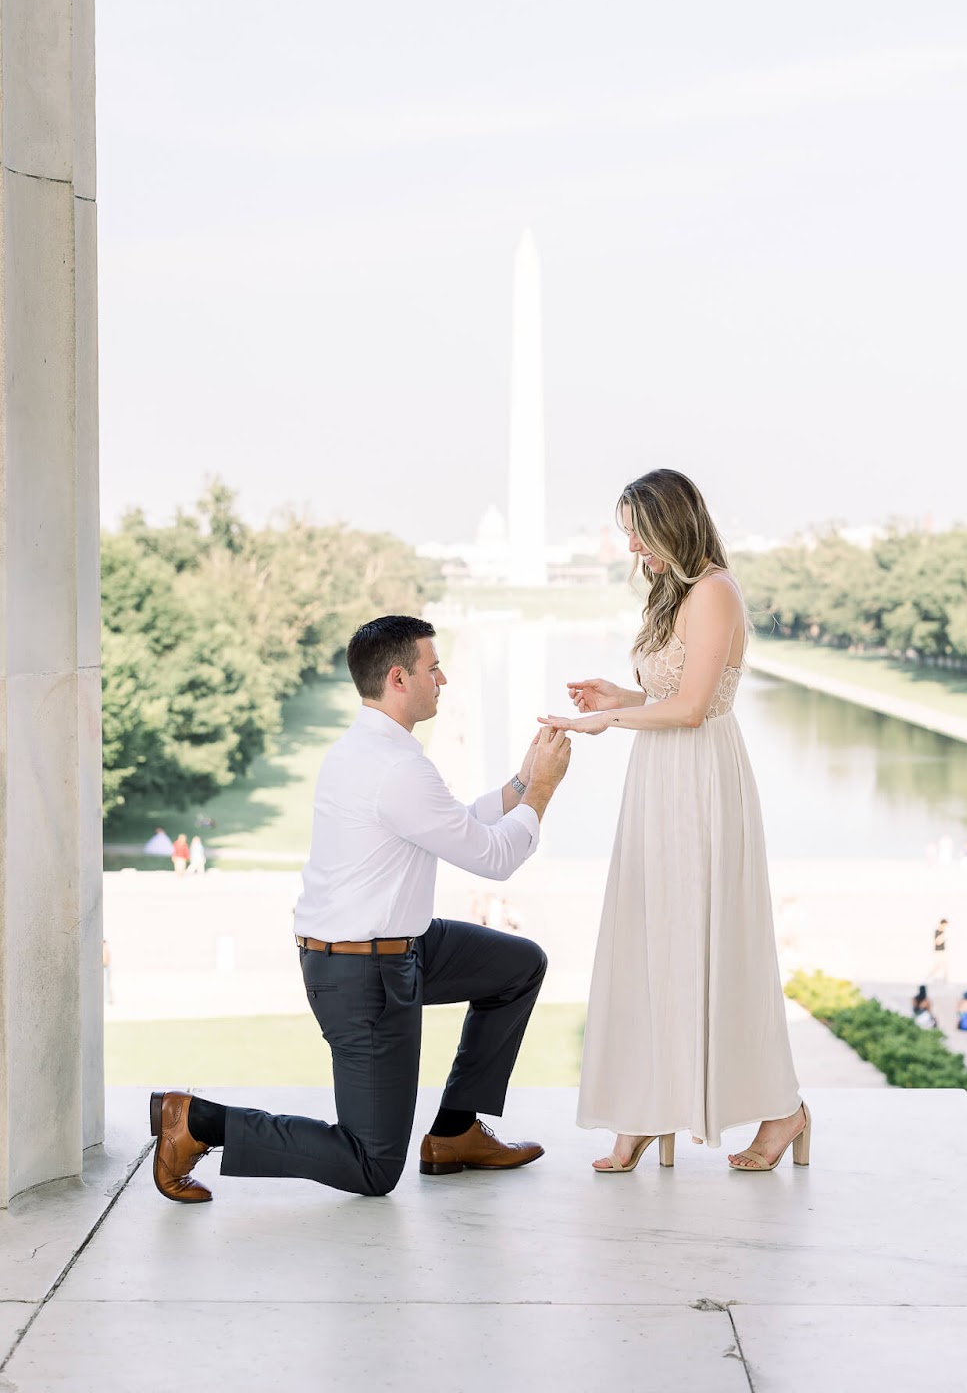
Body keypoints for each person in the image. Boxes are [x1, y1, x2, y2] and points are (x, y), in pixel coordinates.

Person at [149, 614, 571, 1203]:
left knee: (517, 965)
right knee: (371, 1167)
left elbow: (456, 824)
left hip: (403, 946)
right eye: (433, 667)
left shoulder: (375, 750)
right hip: (363, 973)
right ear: (399, 678)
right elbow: (494, 859)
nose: (443, 678)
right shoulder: (397, 768)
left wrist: (523, 781)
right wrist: (545, 791)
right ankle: (198, 1122)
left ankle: (455, 1132)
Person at [538, 469, 808, 1175]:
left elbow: (693, 710)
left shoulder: (714, 591)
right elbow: (673, 694)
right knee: (647, 942)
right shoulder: (678, 595)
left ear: (673, 524)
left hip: (700, 784)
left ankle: (784, 1112)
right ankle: (643, 1108)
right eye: (626, 530)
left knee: (711, 946)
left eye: (638, 530)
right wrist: (621, 693)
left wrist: (606, 718)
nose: (631, 546)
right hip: (659, 779)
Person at [930, 917, 949, 982]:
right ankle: (929, 977)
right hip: (938, 951)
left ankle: (945, 980)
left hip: (942, 951)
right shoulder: (938, 931)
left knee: (944, 966)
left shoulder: (943, 931)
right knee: (938, 966)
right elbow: (937, 942)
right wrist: (942, 936)